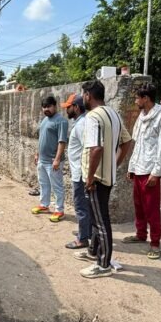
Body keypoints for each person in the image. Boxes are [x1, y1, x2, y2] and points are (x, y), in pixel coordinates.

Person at [74, 80, 133, 279]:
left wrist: (90, 178)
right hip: (105, 175)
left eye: (84, 94)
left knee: (100, 221)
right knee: (95, 217)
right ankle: (93, 251)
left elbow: (96, 148)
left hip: (97, 178)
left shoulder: (93, 117)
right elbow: (127, 142)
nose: (83, 98)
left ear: (89, 95)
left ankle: (104, 264)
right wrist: (114, 164)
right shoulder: (113, 114)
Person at [123, 84, 161, 259]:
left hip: (150, 170)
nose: (136, 101)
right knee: (139, 206)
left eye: (137, 98)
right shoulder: (141, 117)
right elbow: (137, 144)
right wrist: (131, 167)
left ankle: (155, 243)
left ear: (146, 98)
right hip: (139, 168)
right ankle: (140, 234)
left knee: (152, 209)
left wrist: (156, 172)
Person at [31, 95, 69, 221]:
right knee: (43, 184)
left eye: (48, 106)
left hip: (53, 160)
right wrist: (37, 154)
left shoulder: (61, 121)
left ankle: (59, 210)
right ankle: (44, 205)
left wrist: (57, 159)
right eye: (44, 107)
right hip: (42, 159)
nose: (46, 109)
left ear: (55, 106)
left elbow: (62, 141)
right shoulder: (44, 120)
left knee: (57, 185)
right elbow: (41, 138)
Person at [61, 93, 91, 248]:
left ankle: (83, 238)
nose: (67, 110)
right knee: (85, 206)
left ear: (77, 108)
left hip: (80, 174)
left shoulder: (81, 125)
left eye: (69, 107)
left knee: (81, 206)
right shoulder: (81, 123)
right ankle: (86, 232)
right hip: (81, 172)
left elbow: (88, 150)